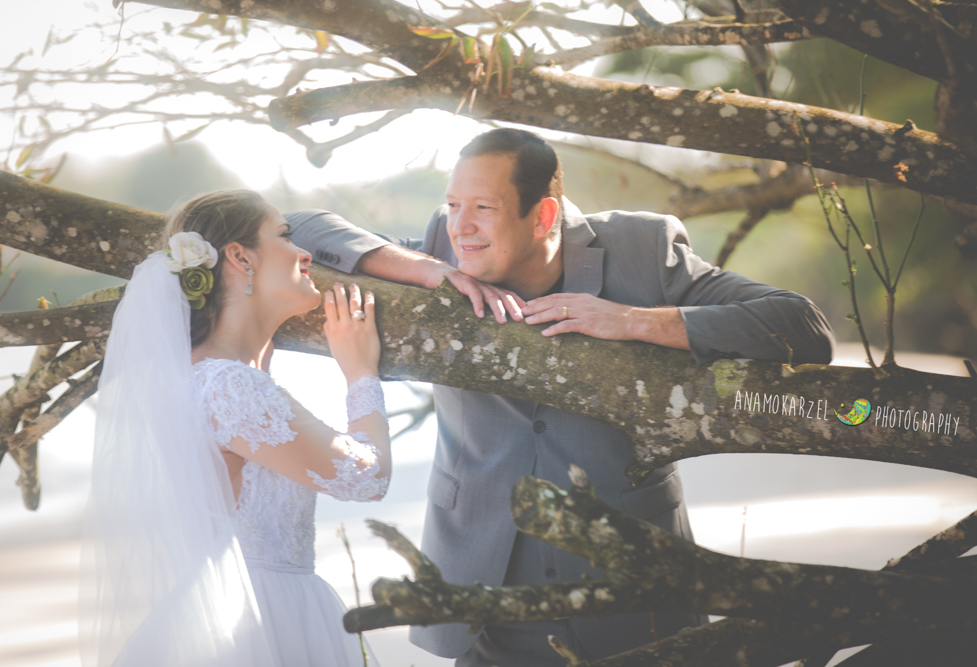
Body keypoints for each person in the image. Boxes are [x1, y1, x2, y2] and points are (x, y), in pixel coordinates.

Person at [286, 128, 836, 665]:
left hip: (633, 586)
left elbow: (803, 327)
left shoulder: (641, 248)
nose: (461, 227)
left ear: (544, 214)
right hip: (481, 588)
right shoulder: (439, 245)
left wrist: (634, 321)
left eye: (482, 207)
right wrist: (428, 271)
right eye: (452, 205)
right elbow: (294, 229)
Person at [80, 190, 389, 667]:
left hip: (221, 603)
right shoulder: (230, 387)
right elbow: (366, 478)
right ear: (241, 257)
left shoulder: (197, 376)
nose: (305, 253)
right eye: (285, 236)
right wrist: (360, 372)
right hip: (259, 622)